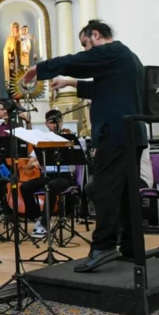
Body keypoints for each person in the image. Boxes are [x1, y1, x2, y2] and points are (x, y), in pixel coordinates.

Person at [23, 20, 147, 273]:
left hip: (115, 133)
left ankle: (103, 246)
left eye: (86, 44)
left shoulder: (111, 51)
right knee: (125, 193)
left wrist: (38, 69)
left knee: (104, 189)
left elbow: (75, 61)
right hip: (131, 133)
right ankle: (132, 247)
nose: (86, 50)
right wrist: (70, 83)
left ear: (97, 35)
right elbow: (101, 88)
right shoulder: (127, 57)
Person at [20, 110, 75, 239]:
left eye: (57, 122)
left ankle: (44, 226)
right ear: (46, 124)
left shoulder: (69, 138)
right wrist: (34, 162)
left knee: (50, 186)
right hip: (48, 176)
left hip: (64, 176)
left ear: (61, 122)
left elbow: (76, 161)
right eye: (51, 123)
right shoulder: (43, 141)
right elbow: (29, 163)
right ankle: (37, 217)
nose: (54, 125)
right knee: (25, 187)